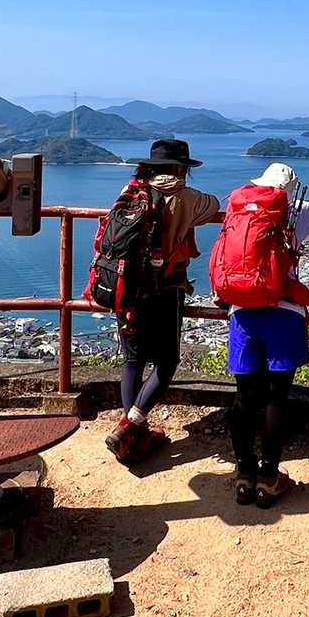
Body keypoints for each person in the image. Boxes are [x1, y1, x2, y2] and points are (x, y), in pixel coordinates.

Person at [211, 162, 309, 507]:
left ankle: (244, 475)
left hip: (241, 311)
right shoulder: (297, 211)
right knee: (277, 397)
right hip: (284, 312)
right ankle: (269, 477)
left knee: (245, 397)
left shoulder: (238, 210)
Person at [104, 139, 220, 463]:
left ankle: (132, 437)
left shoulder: (131, 191)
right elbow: (213, 205)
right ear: (181, 169)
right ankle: (130, 426)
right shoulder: (185, 196)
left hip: (126, 287)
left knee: (132, 360)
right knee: (167, 362)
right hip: (165, 289)